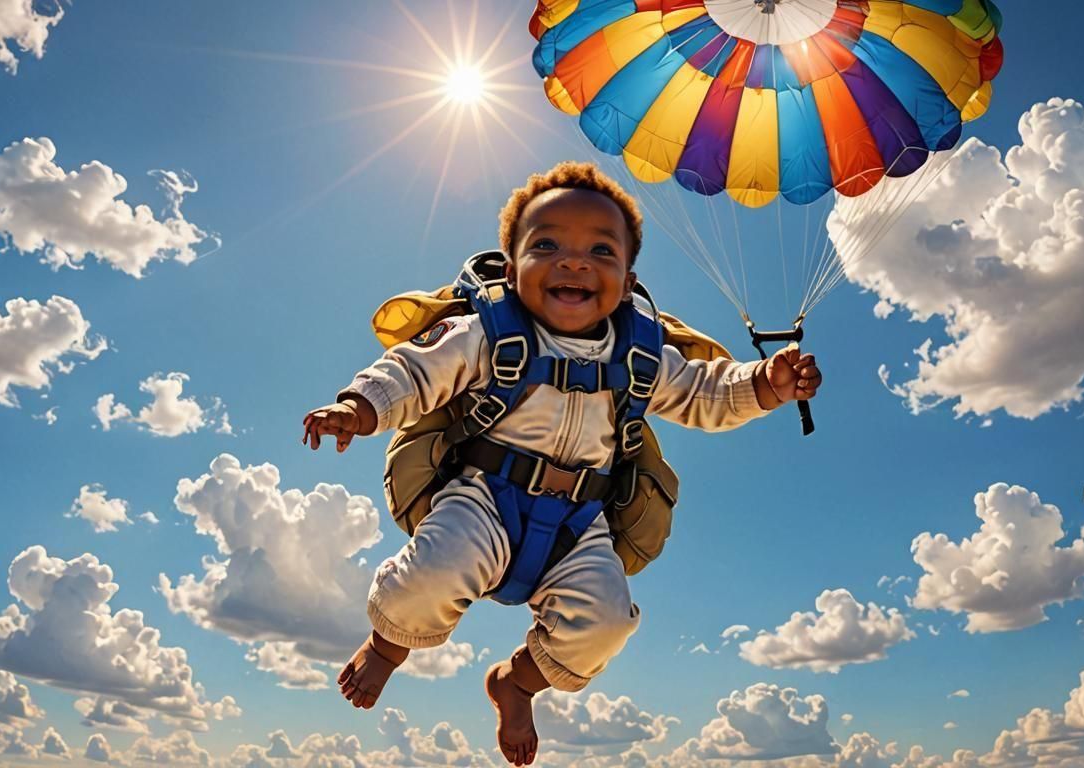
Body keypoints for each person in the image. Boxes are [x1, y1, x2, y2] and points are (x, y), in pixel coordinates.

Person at [303, 162, 821, 766]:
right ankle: (387, 648)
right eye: (546, 245)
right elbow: (415, 372)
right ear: (513, 263)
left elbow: (707, 394)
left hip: (582, 519)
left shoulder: (641, 356)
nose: (573, 262)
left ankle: (516, 684)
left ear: (627, 282)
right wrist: (359, 406)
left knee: (605, 624)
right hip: (483, 494)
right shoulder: (486, 333)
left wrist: (767, 383)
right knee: (433, 571)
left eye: (599, 251)